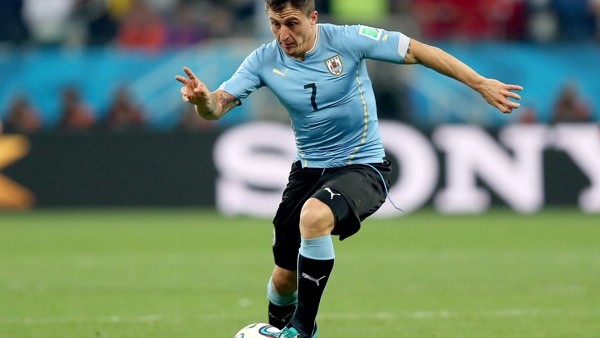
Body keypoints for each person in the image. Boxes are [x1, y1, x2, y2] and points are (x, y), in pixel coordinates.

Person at [175, 1, 522, 337]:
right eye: (275, 24)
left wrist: (479, 83)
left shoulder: (347, 39)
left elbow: (418, 50)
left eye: (292, 23)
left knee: (314, 217)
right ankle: (284, 331)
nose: (283, 34)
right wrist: (204, 101)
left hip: (363, 166)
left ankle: (303, 329)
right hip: (308, 171)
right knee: (283, 278)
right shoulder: (263, 59)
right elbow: (218, 106)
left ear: (313, 18)